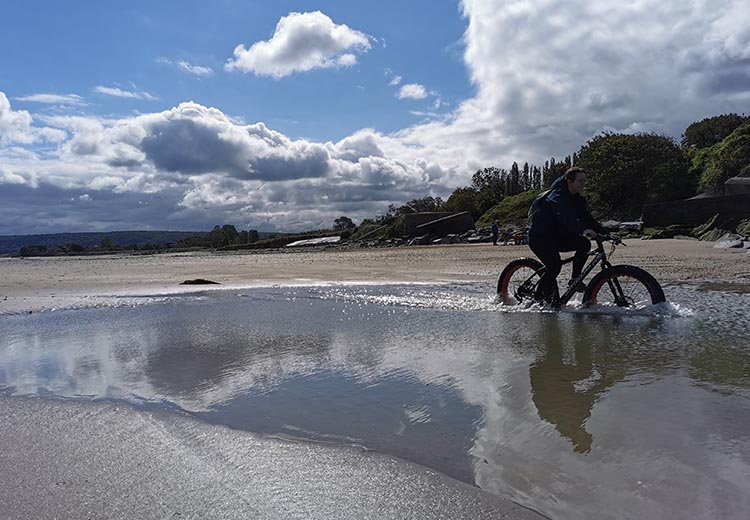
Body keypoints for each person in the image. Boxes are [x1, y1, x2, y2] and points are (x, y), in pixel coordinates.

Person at [527, 167, 606, 305]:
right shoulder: (556, 197)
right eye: (580, 181)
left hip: (557, 237)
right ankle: (536, 300)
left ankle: (575, 280)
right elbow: (566, 219)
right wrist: (583, 229)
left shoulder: (577, 199)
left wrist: (606, 233)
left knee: (584, 244)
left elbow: (587, 218)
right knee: (554, 266)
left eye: (584, 181)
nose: (583, 184)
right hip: (540, 237)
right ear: (570, 181)